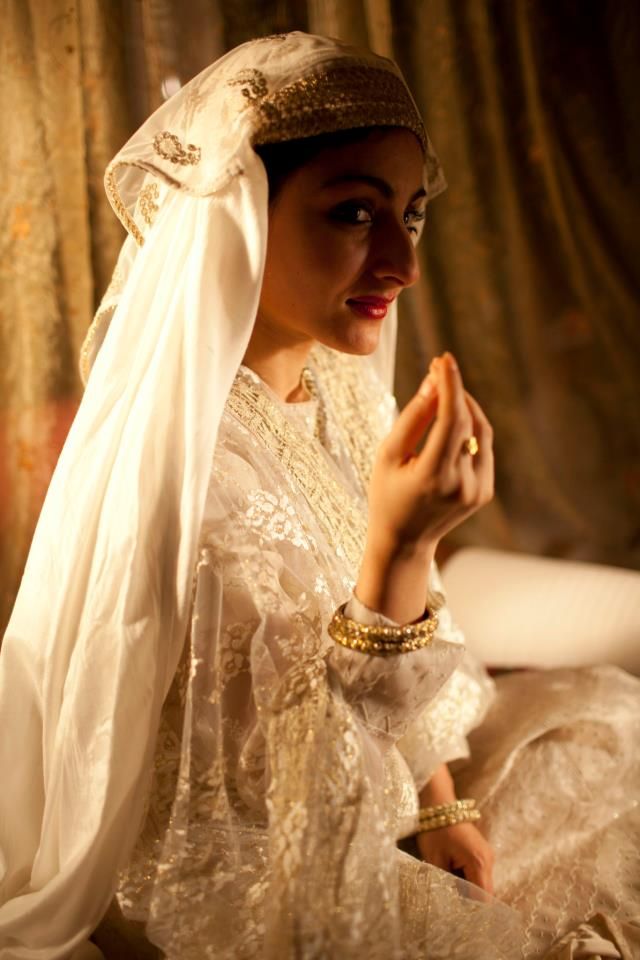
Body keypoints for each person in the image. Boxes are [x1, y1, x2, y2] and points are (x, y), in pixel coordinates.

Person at [0, 31, 638, 960]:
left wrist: (442, 799)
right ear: (243, 216)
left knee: (611, 739)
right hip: (268, 860)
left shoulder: (335, 385)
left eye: (410, 216)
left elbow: (406, 685)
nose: (401, 265)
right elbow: (305, 784)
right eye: (352, 213)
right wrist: (403, 546)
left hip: (387, 798)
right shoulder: (185, 473)